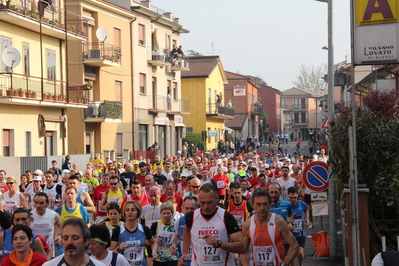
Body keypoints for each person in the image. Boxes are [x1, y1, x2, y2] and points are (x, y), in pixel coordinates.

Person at [178, 183, 244, 266]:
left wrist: (219, 244)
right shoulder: (191, 217)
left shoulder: (226, 217)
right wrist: (185, 252)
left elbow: (242, 247)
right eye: (202, 202)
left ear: (217, 199)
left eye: (209, 202)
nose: (206, 206)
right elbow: (187, 229)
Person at [239, 188, 299, 266]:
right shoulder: (247, 224)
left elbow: (294, 245)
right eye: (258, 204)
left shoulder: (278, 221)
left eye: (265, 204)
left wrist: (285, 264)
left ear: (270, 204)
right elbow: (243, 251)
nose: (262, 208)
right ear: (253, 205)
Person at [110, 201, 156, 266]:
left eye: (133, 210)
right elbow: (111, 252)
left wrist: (154, 251)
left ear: (138, 212)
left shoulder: (144, 229)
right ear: (124, 213)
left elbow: (153, 242)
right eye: (127, 210)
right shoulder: (118, 230)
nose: (130, 212)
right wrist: (118, 248)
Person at [31, 192, 62, 258]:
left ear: (47, 203)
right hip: (34, 252)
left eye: (41, 203)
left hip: (49, 252)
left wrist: (58, 235)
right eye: (36, 202)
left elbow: (59, 224)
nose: (38, 205)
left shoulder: (54, 215)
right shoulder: (29, 215)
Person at [151, 202, 179, 266]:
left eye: (168, 213)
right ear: (161, 213)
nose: (166, 215)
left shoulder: (176, 224)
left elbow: (179, 239)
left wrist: (176, 246)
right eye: (164, 213)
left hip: (172, 258)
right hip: (159, 258)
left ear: (172, 213)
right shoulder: (155, 224)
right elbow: (149, 241)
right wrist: (154, 248)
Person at [173, 196, 198, 266]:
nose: (189, 211)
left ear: (197, 208)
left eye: (192, 208)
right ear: (183, 208)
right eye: (187, 208)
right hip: (185, 261)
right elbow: (177, 236)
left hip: (198, 261)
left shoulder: (201, 222)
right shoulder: (179, 221)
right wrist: (174, 245)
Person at [287, 187, 309, 266]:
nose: (293, 199)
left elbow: (306, 210)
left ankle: (301, 264)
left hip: (300, 232)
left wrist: (307, 218)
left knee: (300, 253)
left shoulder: (302, 204)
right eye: (291, 197)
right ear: (288, 196)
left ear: (297, 196)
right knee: (292, 255)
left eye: (295, 197)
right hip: (290, 234)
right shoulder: (286, 206)